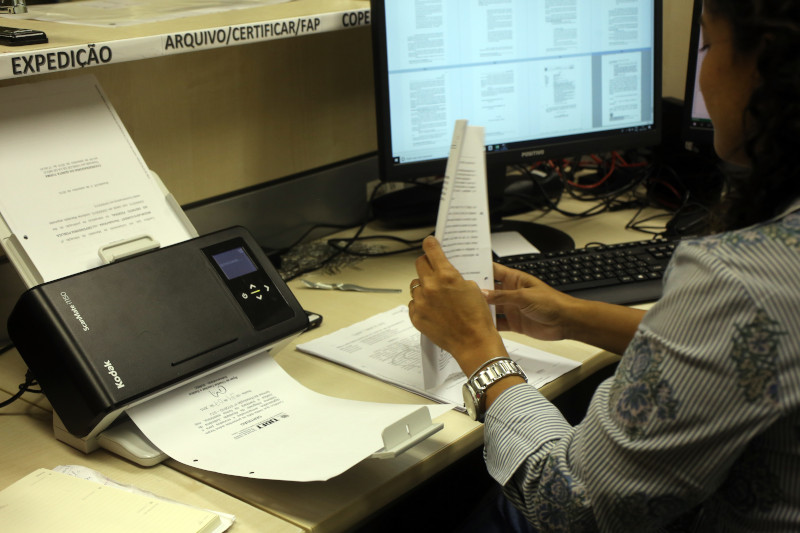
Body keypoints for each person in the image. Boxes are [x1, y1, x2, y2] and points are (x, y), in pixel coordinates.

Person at [408, 0, 800, 530]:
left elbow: (571, 503)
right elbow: (750, 353)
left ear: (767, 67)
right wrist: (571, 315)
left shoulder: (742, 279)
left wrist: (480, 352)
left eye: (707, 43)